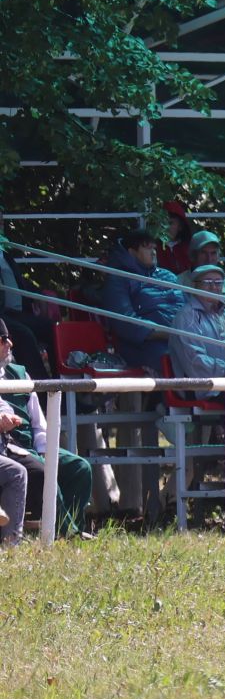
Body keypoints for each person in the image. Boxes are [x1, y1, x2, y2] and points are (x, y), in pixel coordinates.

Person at [1, 320, 92, 536]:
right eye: (4, 340)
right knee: (45, 471)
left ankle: (73, 525)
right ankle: (68, 533)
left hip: (32, 447)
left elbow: (38, 422)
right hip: (9, 448)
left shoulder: (20, 373)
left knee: (80, 468)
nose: (10, 344)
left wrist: (45, 450)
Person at [100, 228, 183, 374]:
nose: (154, 252)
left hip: (181, 338)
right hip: (145, 345)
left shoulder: (168, 276)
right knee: (180, 360)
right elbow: (125, 321)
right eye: (147, 248)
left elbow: (190, 309)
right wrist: (168, 333)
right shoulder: (118, 278)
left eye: (154, 248)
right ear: (132, 252)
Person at [0, 212, 55, 378]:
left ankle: (65, 391)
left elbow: (20, 283)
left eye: (1, 221)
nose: (1, 224)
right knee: (25, 335)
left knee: (54, 328)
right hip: (2, 315)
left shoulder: (5, 254)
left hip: (16, 313)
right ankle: (42, 393)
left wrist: (40, 295)